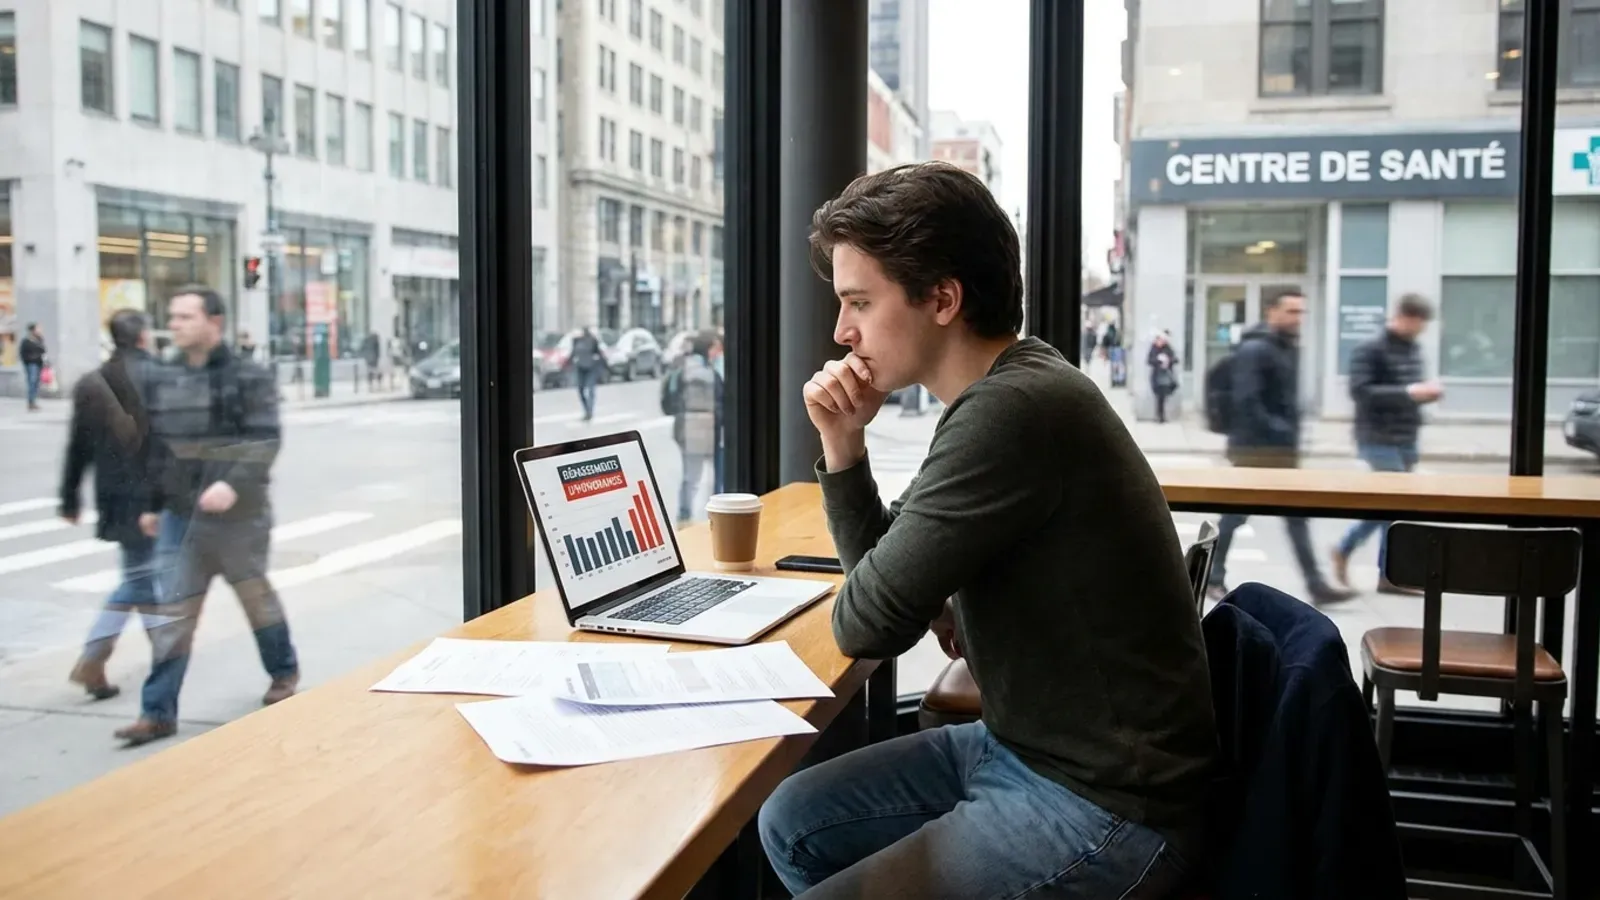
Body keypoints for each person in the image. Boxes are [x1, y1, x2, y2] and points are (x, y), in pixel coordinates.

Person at [757, 161, 1216, 898]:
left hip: (1105, 805)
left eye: (860, 302)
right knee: (793, 820)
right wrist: (843, 446)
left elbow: (866, 623)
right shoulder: (1009, 388)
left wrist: (921, 598)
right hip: (1025, 748)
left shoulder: (1011, 412)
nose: (841, 331)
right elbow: (887, 575)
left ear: (943, 299)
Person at [117, 286, 301, 746]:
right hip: (181, 520)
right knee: (174, 616)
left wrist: (231, 484)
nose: (174, 324)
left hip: (240, 519)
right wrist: (151, 503)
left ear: (214, 323)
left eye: (185, 316)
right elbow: (155, 447)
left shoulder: (248, 375)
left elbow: (266, 438)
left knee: (256, 601)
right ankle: (157, 711)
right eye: (172, 316)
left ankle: (283, 671)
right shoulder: (166, 377)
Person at [1207, 292, 1355, 606]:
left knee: (1294, 516)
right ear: (1271, 312)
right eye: (1290, 311)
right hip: (1256, 450)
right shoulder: (1256, 349)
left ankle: (1315, 584)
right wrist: (1281, 430)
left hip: (1277, 450)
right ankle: (1213, 575)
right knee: (1236, 516)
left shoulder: (1282, 347)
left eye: (1300, 312)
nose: (1297, 318)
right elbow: (1247, 401)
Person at [59, 309, 160, 701]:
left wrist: (69, 496)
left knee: (142, 575)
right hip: (153, 498)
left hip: (114, 496)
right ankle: (98, 658)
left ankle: (157, 656)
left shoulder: (91, 383)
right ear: (143, 337)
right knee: (141, 578)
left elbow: (77, 447)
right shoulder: (159, 377)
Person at [1331, 294, 1441, 593]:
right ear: (1405, 317)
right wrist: (1410, 393)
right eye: (1418, 324)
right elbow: (1361, 392)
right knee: (1393, 504)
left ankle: (1383, 572)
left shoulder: (1413, 349)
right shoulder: (1370, 348)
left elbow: (1409, 390)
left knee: (1392, 507)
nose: (1420, 330)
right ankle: (1352, 552)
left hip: (1406, 436)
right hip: (1377, 436)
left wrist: (1424, 394)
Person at [670, 330, 722, 521]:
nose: (718, 352)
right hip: (699, 427)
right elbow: (718, 399)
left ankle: (685, 514)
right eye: (715, 348)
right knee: (698, 475)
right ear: (707, 349)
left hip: (688, 425)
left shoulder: (684, 366)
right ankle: (692, 514)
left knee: (691, 475)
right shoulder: (705, 372)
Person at [570, 326, 605, 421]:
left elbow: (598, 353)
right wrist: (569, 363)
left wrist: (600, 364)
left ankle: (589, 412)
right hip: (580, 368)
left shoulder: (593, 341)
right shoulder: (576, 341)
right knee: (581, 390)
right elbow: (572, 353)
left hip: (591, 368)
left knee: (590, 390)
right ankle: (587, 410)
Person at [1148, 330, 1180, 423]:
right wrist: (1159, 360)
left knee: (1163, 396)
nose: (1161, 342)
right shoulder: (1154, 348)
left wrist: (1168, 360)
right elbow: (1149, 360)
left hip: (1166, 375)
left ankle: (1161, 415)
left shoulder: (1167, 348)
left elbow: (1175, 359)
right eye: (1160, 340)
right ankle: (1160, 415)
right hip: (1157, 375)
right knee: (1159, 396)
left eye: (1163, 340)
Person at [20, 322, 46, 411]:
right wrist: (28, 361)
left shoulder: (39, 339)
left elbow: (43, 350)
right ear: (32, 330)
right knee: (32, 382)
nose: (40, 330)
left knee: (36, 383)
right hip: (31, 364)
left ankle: (33, 401)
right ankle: (31, 402)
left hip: (38, 363)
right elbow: (22, 353)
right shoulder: (26, 341)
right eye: (38, 329)